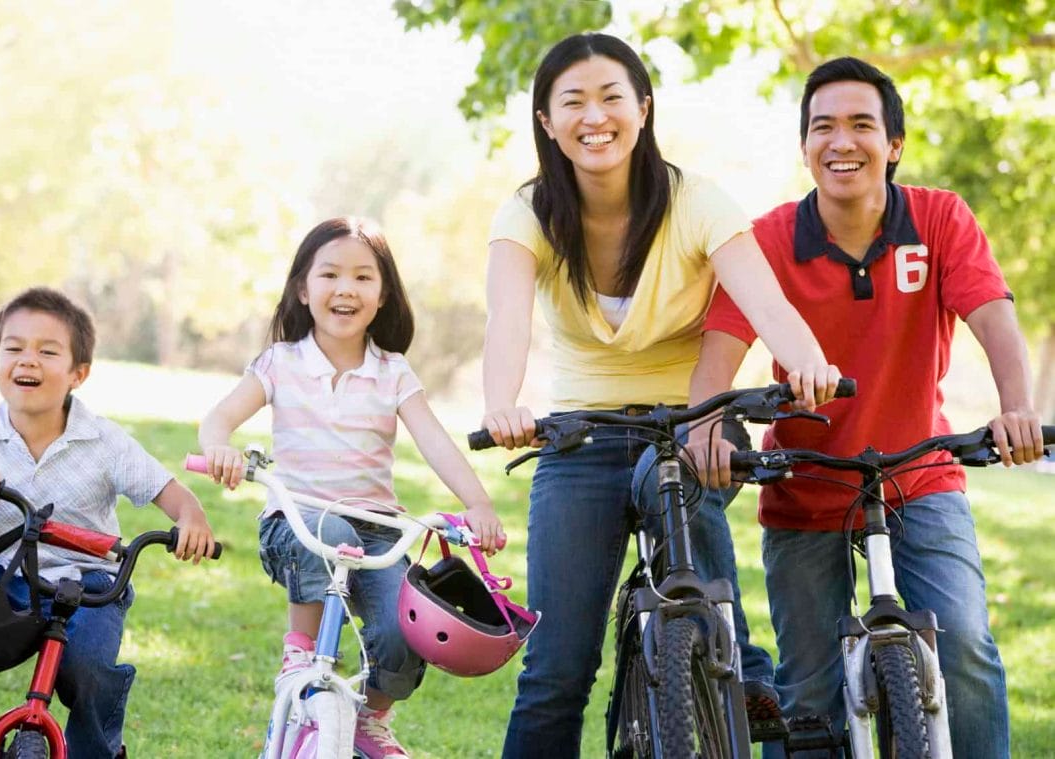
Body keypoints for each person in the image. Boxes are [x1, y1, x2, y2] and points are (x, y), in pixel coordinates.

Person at [481, 32, 841, 758]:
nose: (596, 116)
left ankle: (735, 663)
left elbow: (768, 306)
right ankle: (738, 660)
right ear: (547, 122)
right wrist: (502, 402)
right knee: (555, 671)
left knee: (672, 478)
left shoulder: (696, 201)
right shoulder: (527, 215)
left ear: (643, 110)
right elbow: (506, 326)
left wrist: (807, 361)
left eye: (612, 97)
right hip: (577, 437)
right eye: (573, 102)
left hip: (690, 425)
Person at [699, 57, 1045, 758]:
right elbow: (719, 351)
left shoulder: (940, 218)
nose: (841, 141)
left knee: (966, 647)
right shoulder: (768, 240)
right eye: (823, 127)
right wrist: (705, 424)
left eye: (862, 124)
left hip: (919, 476)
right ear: (804, 149)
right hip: (803, 487)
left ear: (894, 143)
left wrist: (1017, 408)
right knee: (809, 695)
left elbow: (993, 316)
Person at [199, 216, 504, 759]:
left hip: (379, 530)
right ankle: (300, 650)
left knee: (405, 634)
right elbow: (218, 419)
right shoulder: (281, 362)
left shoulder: (393, 372)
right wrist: (220, 446)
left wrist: (476, 503)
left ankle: (371, 715)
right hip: (297, 523)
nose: (346, 288)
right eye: (330, 274)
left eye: (364, 277)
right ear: (303, 287)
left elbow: (435, 442)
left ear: (383, 294)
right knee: (331, 529)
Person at [0, 287, 217, 759]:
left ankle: (95, 749)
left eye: (47, 351)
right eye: (13, 348)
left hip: (88, 581)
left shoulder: (103, 439)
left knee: (88, 663)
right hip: (5, 575)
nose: (27, 360)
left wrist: (192, 518)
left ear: (79, 373)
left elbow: (170, 492)